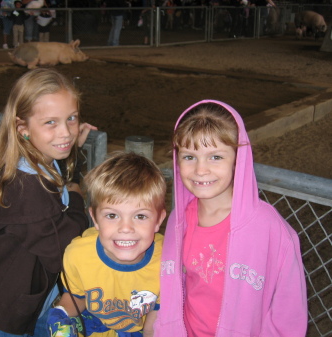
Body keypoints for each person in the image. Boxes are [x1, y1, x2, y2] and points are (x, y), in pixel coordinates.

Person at [153, 100, 308, 336]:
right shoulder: (179, 219)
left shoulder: (269, 227)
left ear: (238, 159)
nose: (200, 170)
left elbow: (288, 310)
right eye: (189, 157)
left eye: (215, 157)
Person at [0, 68, 97, 337]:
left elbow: (58, 183)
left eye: (71, 118)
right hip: (3, 315)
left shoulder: (36, 161)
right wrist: (76, 200)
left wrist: (72, 153)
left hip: (32, 298)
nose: (66, 133)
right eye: (51, 122)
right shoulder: (26, 187)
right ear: (22, 128)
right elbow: (63, 245)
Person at [47, 151, 167, 337]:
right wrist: (61, 313)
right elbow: (77, 297)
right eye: (112, 215)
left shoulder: (167, 262)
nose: (126, 228)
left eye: (140, 216)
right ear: (94, 218)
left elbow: (154, 324)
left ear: (159, 220)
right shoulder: (77, 255)